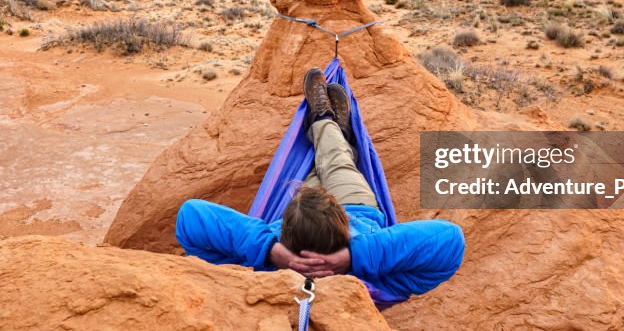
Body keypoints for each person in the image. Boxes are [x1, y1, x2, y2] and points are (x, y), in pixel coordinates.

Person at [176, 67, 465, 301]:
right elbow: (450, 239)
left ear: (282, 231)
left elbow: (190, 216)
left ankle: (325, 123)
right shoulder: (378, 278)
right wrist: (354, 256)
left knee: (310, 164)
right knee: (338, 160)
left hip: (307, 216)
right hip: (355, 205)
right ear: (345, 228)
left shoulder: (264, 265)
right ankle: (327, 122)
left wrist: (271, 250)